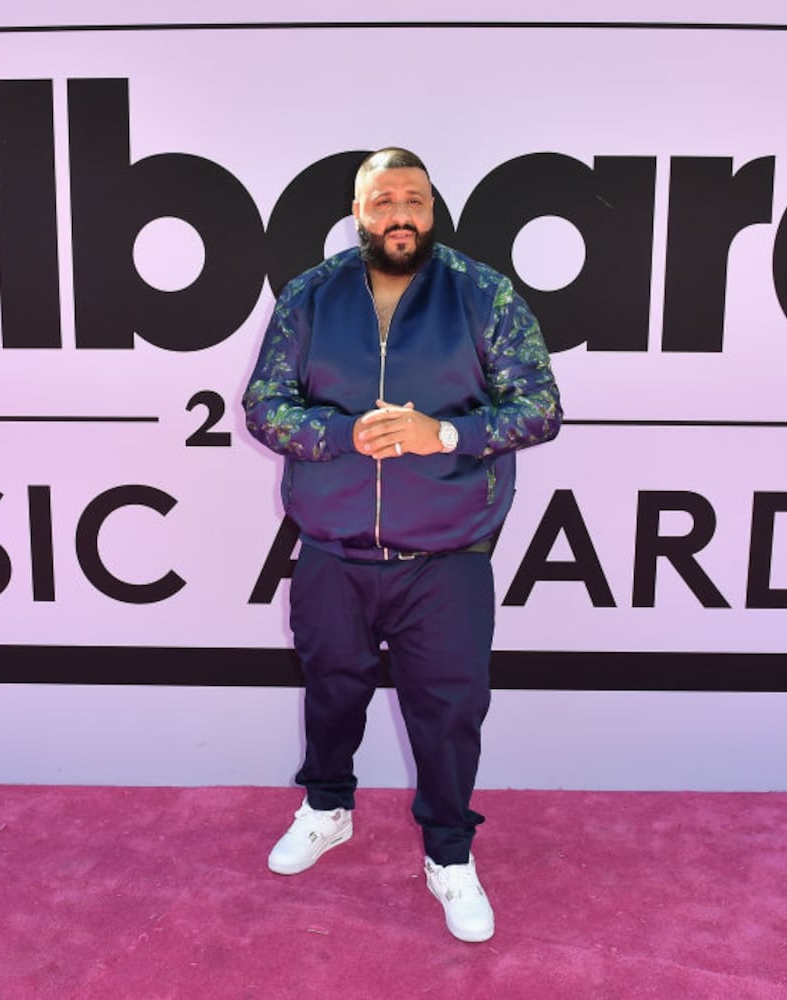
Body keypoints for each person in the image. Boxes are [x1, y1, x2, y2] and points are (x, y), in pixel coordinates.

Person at [242, 147, 562, 943]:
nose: (398, 214)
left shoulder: (483, 294)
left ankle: (449, 857)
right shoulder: (311, 298)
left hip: (447, 557)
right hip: (333, 552)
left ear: (432, 209)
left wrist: (441, 433)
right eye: (382, 200)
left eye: (413, 199)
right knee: (330, 691)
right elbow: (262, 407)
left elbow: (541, 407)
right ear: (358, 213)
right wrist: (342, 434)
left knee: (450, 712)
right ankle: (326, 809)